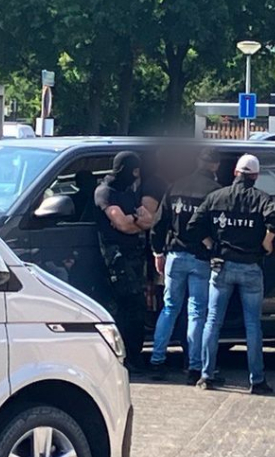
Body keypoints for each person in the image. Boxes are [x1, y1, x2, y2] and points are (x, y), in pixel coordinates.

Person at [188, 154, 275, 393]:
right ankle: (257, 380)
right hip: (251, 266)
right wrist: (267, 242)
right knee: (253, 325)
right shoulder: (262, 198)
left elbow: (193, 226)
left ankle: (206, 376)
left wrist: (211, 246)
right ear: (256, 176)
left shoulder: (216, 196)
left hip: (222, 265)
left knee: (212, 321)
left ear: (235, 173)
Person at [150, 148, 222, 384]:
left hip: (175, 255)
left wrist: (158, 252)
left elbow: (159, 223)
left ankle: (157, 360)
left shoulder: (175, 186)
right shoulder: (214, 191)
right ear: (216, 165)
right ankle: (194, 366)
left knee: (169, 308)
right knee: (197, 312)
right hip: (200, 258)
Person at [94, 151, 154, 371]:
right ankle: (124, 357)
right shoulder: (105, 192)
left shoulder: (128, 192)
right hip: (116, 260)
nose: (136, 175)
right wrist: (135, 220)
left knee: (137, 308)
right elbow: (121, 224)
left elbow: (149, 220)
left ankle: (135, 356)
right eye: (134, 170)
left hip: (134, 258)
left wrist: (133, 220)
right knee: (124, 308)